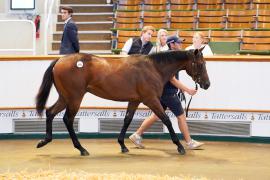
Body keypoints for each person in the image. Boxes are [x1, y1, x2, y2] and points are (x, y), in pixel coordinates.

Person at [129, 35, 204, 150]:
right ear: (172, 44)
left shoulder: (171, 56)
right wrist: (187, 89)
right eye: (178, 43)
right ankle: (189, 142)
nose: (181, 45)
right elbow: (172, 79)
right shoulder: (169, 57)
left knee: (155, 115)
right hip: (168, 92)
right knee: (181, 116)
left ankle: (137, 135)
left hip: (164, 90)